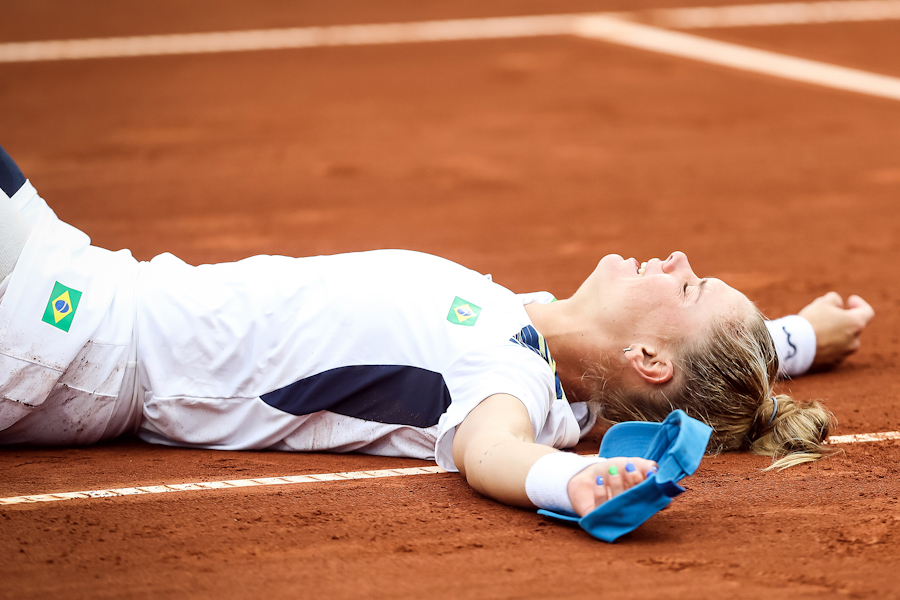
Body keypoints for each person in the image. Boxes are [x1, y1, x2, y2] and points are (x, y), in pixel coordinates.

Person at [0, 145, 873, 518]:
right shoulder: (537, 332)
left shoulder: (510, 377)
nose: (677, 254)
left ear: (646, 356)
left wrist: (575, 484)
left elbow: (494, 452)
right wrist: (796, 339)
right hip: (82, 278)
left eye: (689, 283)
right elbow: (705, 371)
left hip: (70, 344)